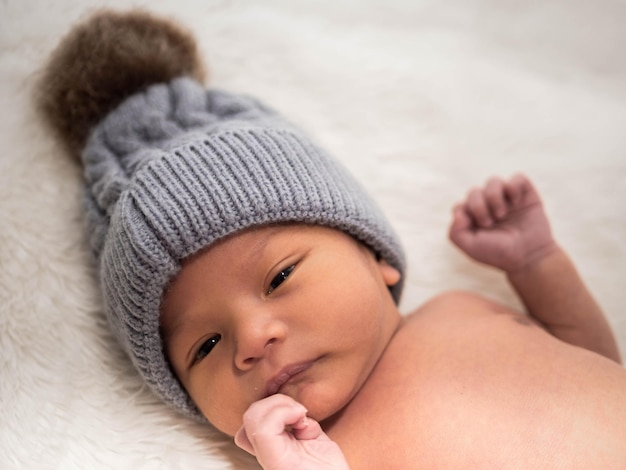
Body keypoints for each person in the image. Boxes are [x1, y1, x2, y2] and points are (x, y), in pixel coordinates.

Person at [38, 9, 626, 470]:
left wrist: (539, 264)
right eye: (204, 347)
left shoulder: (463, 310)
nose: (251, 338)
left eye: (280, 277)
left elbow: (593, 366)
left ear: (375, 256)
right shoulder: (316, 454)